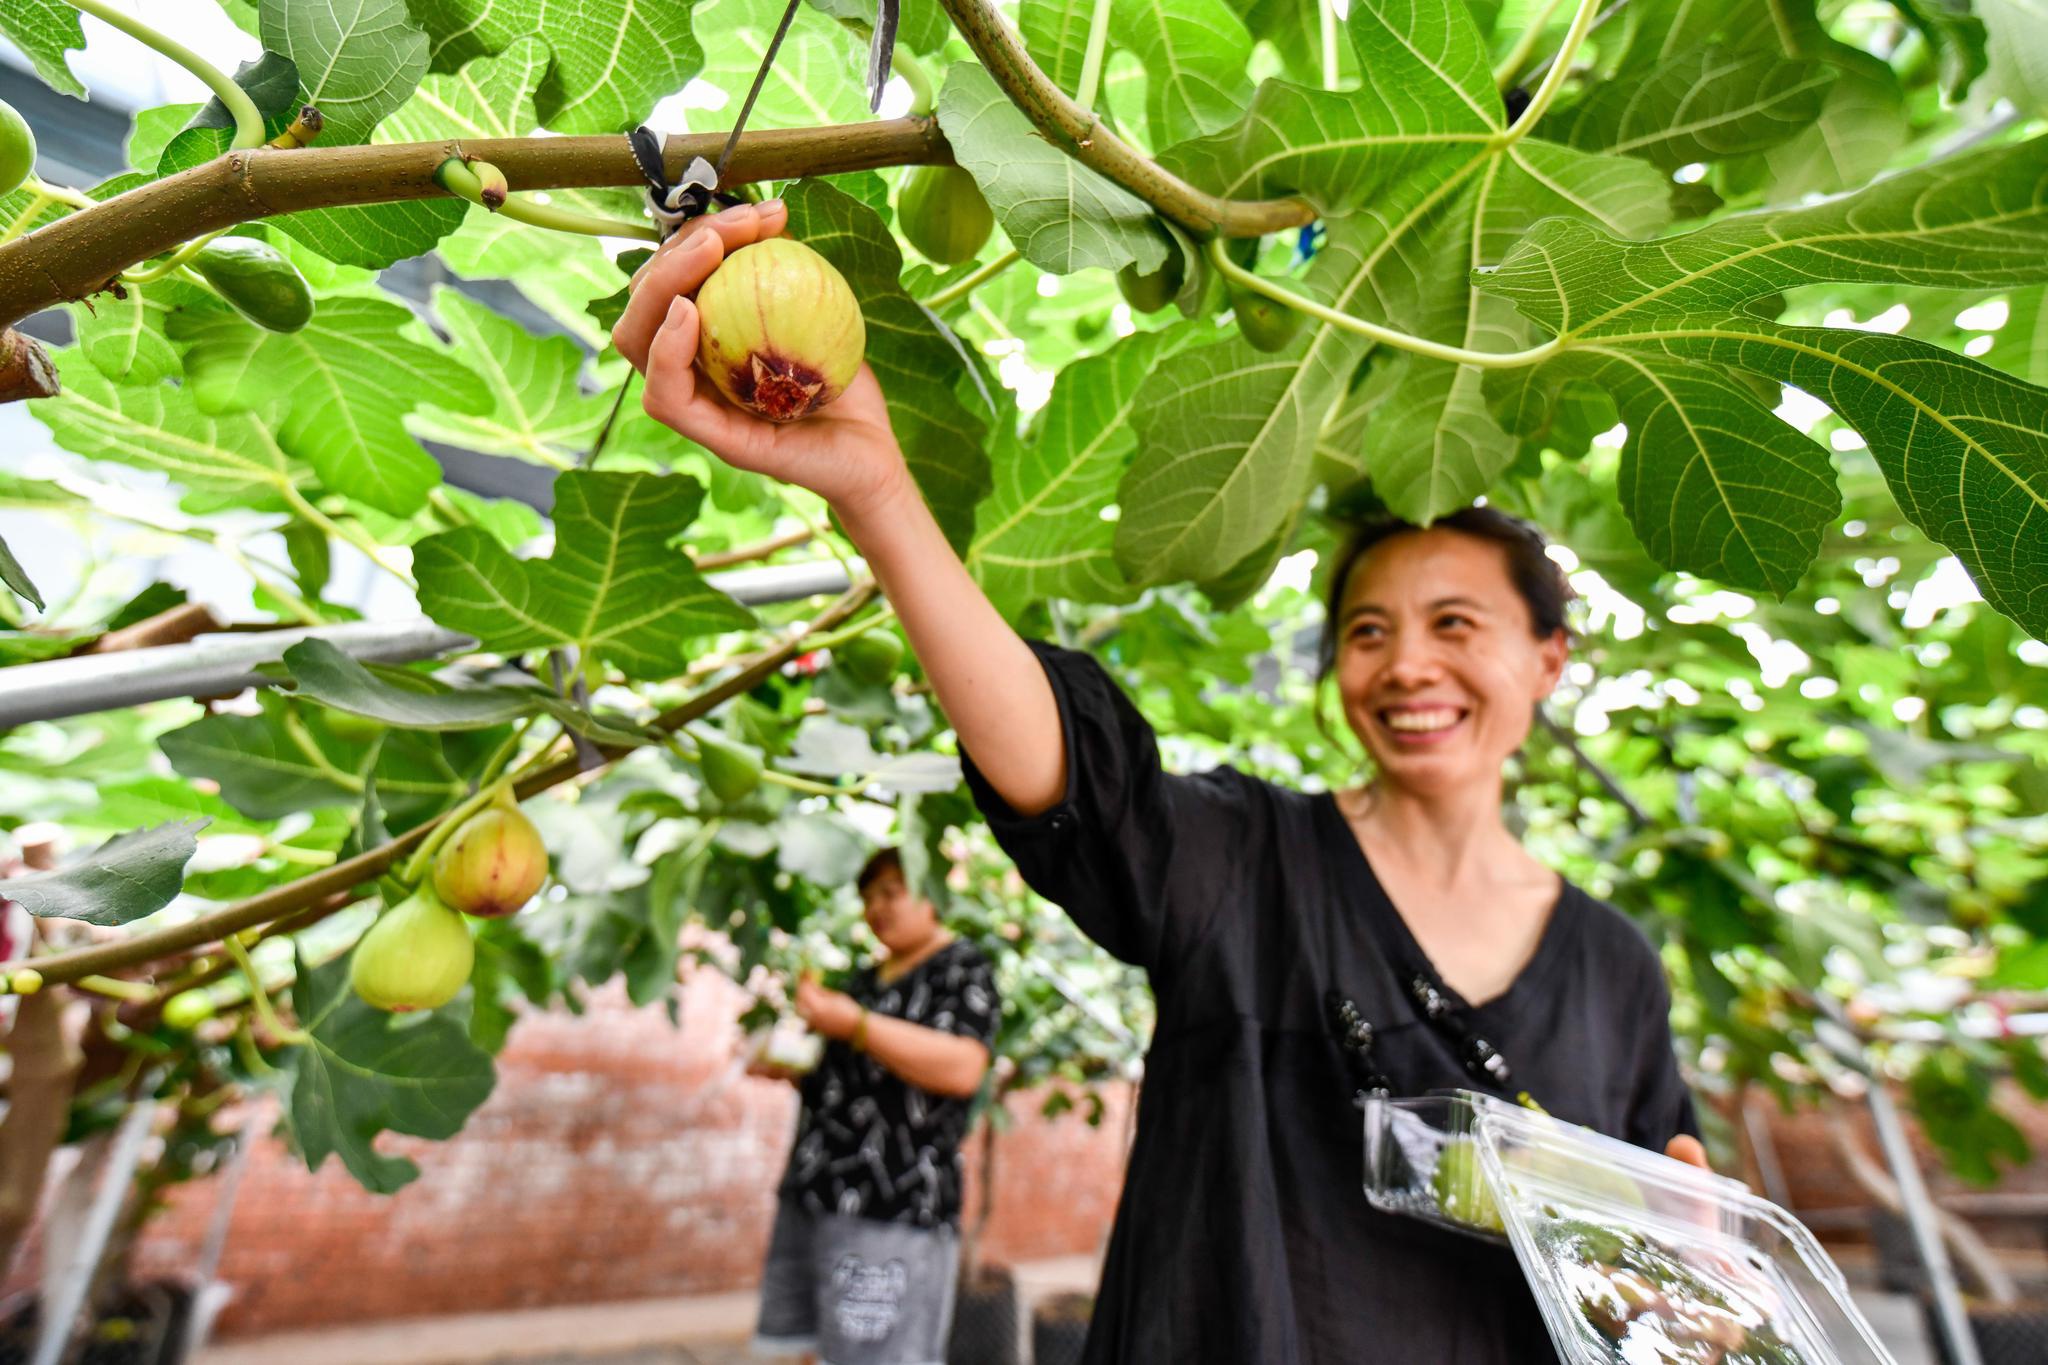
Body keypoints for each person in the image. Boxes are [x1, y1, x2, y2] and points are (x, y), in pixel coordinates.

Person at [619, 202, 1707, 1364]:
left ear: (1548, 656)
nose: (1405, 668)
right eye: (1367, 632)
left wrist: (1683, 1285)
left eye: (1454, 624)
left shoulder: (1612, 973)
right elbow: (1073, 783)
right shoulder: (1248, 862)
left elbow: (1643, 1266)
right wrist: (879, 496)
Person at [748, 846, 999, 1365]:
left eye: (891, 892)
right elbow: (848, 1086)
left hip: (893, 1203)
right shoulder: (864, 981)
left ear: (931, 894)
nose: (876, 907)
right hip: (817, 1189)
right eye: (867, 896)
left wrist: (857, 1026)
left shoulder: (962, 967)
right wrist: (788, 1063)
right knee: (803, 1346)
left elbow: (963, 1068)